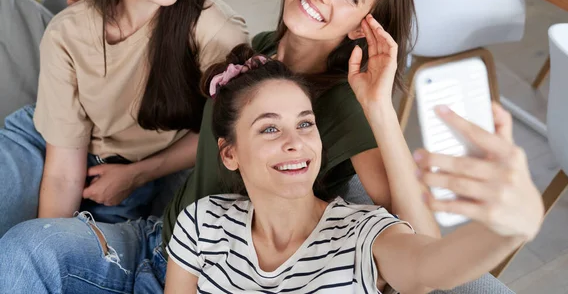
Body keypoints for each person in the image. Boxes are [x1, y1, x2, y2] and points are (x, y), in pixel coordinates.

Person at [0, 0, 441, 292]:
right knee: (26, 247)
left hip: (210, 276)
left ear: (365, 22)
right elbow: (217, 141)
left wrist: (380, 106)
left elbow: (421, 243)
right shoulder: (262, 48)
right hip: (157, 241)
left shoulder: (346, 103)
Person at [164, 29, 543, 292]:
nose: (296, 142)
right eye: (269, 129)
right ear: (229, 154)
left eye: (305, 124)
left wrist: (506, 230)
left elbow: (429, 271)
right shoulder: (203, 222)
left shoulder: (362, 234)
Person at [0, 0, 248, 237]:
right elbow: (62, 170)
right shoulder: (67, 31)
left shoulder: (215, 30)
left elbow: (230, 132)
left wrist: (140, 174)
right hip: (42, 138)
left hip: (126, 171)